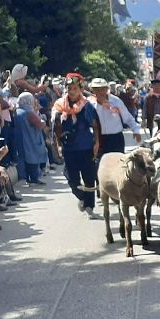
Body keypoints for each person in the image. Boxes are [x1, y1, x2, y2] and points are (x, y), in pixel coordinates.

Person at [52, 74, 102, 219]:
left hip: (86, 146)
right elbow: (57, 128)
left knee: (89, 178)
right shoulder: (59, 106)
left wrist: (97, 143)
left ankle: (89, 207)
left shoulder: (87, 106)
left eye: (74, 88)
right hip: (68, 148)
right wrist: (59, 145)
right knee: (72, 178)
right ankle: (81, 197)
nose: (71, 91)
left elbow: (95, 125)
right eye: (69, 88)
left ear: (80, 89)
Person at [89, 77, 143, 161]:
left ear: (106, 89)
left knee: (117, 165)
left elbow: (128, 118)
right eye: (96, 89)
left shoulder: (115, 101)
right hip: (99, 139)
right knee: (100, 166)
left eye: (101, 89)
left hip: (115, 138)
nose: (99, 92)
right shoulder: (90, 103)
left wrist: (136, 130)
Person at [13, 92, 48, 185]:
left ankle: (25, 177)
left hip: (20, 138)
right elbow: (40, 124)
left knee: (23, 157)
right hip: (31, 138)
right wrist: (43, 120)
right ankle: (34, 178)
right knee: (33, 157)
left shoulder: (17, 111)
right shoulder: (29, 112)